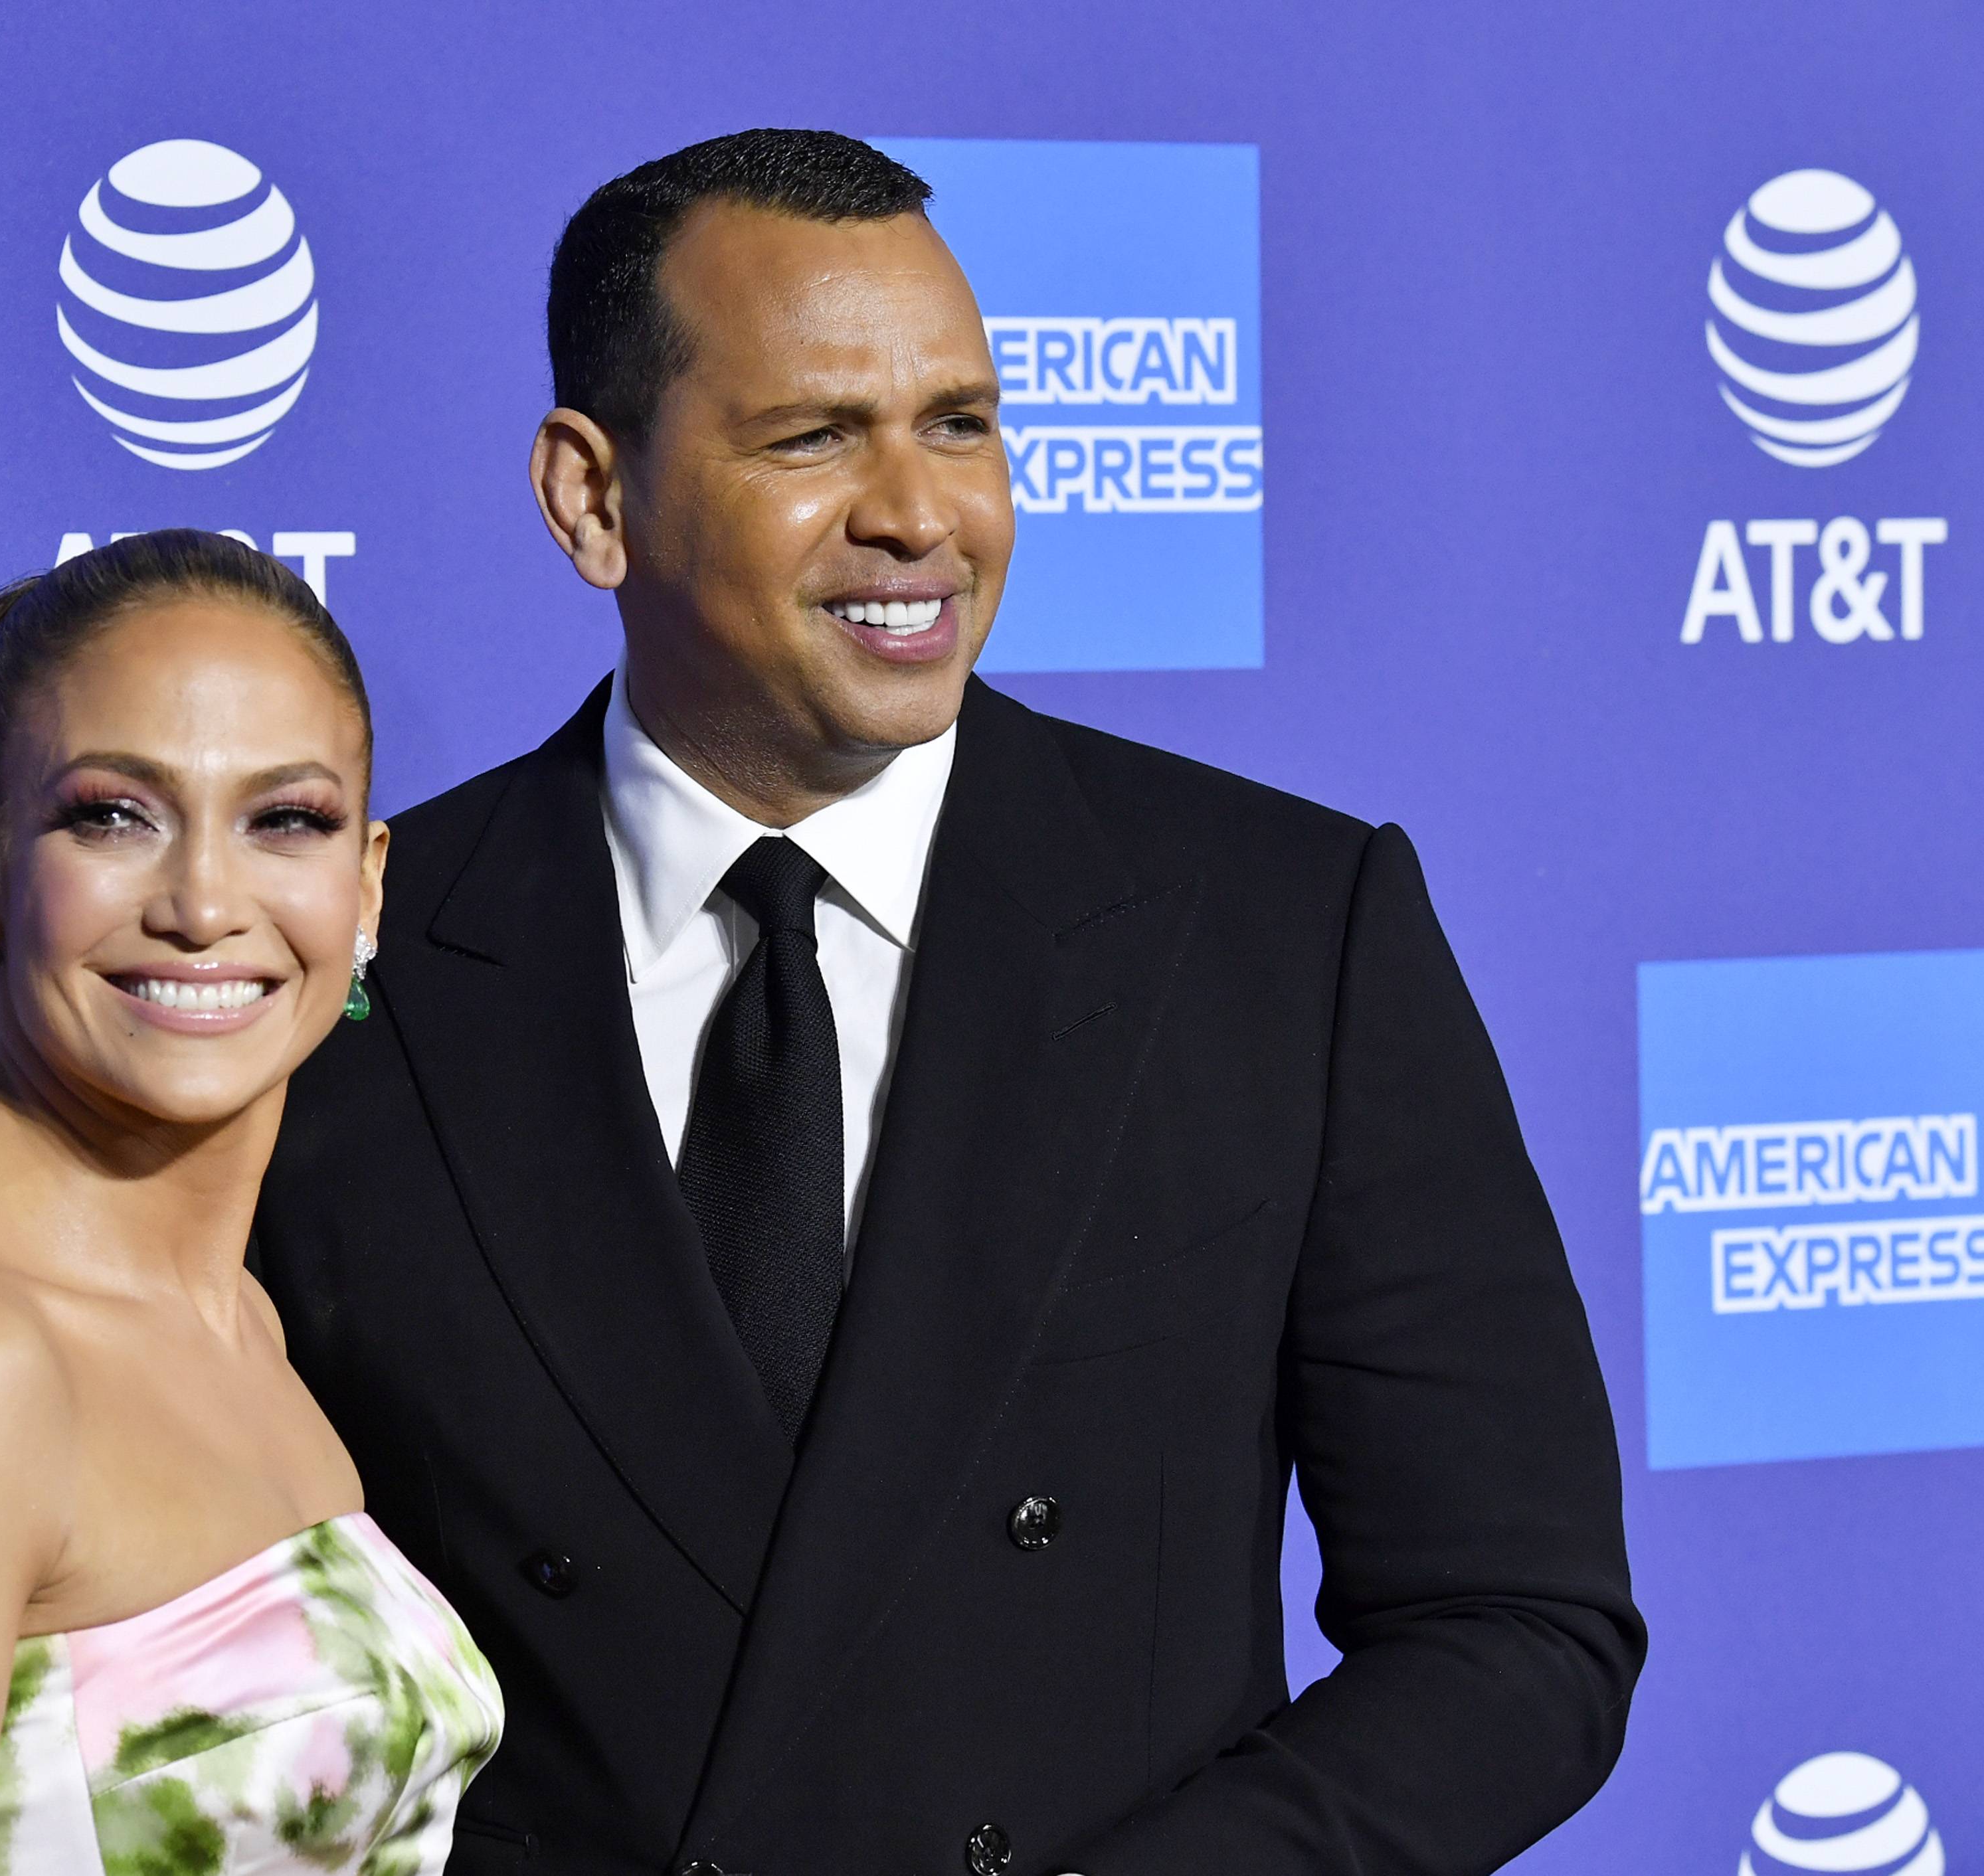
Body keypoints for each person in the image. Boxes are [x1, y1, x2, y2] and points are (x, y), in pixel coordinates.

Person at [251, 130, 1644, 1874]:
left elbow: (1516, 1627)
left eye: (962, 424)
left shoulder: (1281, 930)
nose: (921, 514)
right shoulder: (343, 967)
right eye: (815, 437)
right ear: (593, 498)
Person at [0, 531, 501, 1875]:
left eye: (284, 820)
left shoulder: (235, 1318)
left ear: (365, 883)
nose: (204, 903)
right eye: (114, 815)